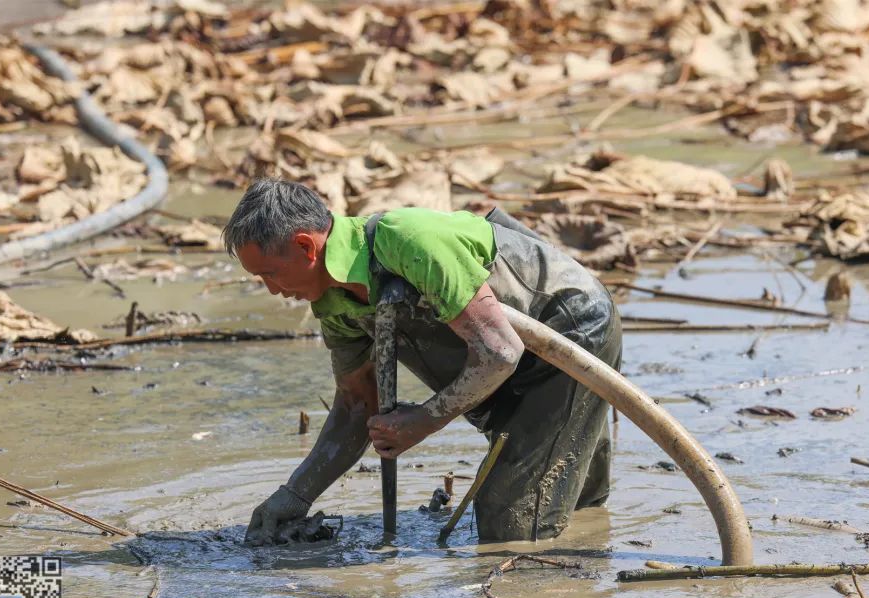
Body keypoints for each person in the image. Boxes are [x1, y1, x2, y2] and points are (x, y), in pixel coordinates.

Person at [224, 179, 622, 545]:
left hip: (568, 333)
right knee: (568, 496)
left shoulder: (407, 241)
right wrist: (296, 494)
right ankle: (586, 542)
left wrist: (423, 420)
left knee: (510, 524)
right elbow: (357, 405)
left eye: (270, 274)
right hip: (507, 365)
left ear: (305, 247)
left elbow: (500, 351)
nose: (271, 290)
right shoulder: (333, 303)